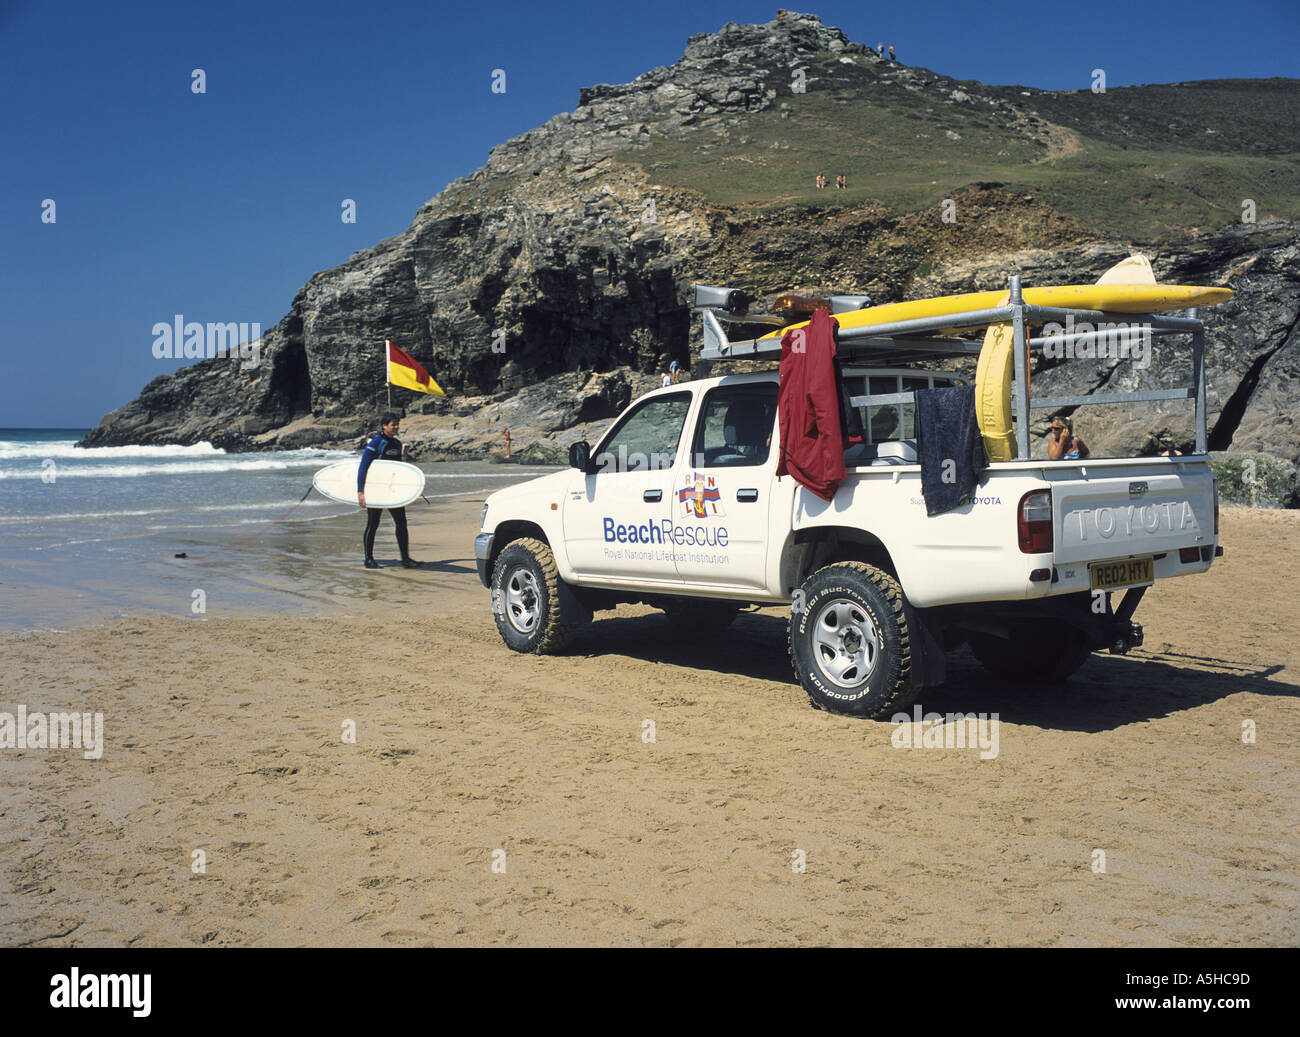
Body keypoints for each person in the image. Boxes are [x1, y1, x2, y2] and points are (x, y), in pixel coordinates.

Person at [358, 412, 421, 569]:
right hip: (376, 489)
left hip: (392, 491)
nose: (396, 427)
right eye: (393, 424)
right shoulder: (375, 443)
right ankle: (368, 559)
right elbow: (363, 467)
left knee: (401, 523)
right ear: (384, 426)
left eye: (397, 424)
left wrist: (403, 455)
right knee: (373, 523)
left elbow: (397, 468)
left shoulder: (397, 443)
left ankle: (405, 559)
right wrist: (360, 491)